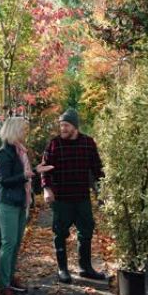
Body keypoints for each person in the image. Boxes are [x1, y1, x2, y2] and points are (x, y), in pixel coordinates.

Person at [41, 109, 106, 283]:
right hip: (61, 198)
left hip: (82, 197)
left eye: (66, 125)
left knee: (86, 231)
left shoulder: (88, 143)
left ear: (75, 127)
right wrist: (47, 189)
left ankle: (85, 267)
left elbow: (97, 169)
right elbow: (45, 169)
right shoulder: (54, 144)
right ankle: (62, 269)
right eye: (61, 125)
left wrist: (102, 191)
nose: (62, 128)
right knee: (60, 232)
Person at [0, 116, 53, 295]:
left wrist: (35, 170)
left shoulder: (19, 151)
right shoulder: (4, 153)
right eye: (23, 130)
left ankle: (10, 278)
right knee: (8, 244)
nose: (25, 134)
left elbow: (24, 175)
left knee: (16, 243)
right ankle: (3, 286)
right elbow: (3, 180)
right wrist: (25, 175)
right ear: (14, 131)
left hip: (20, 201)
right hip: (7, 203)